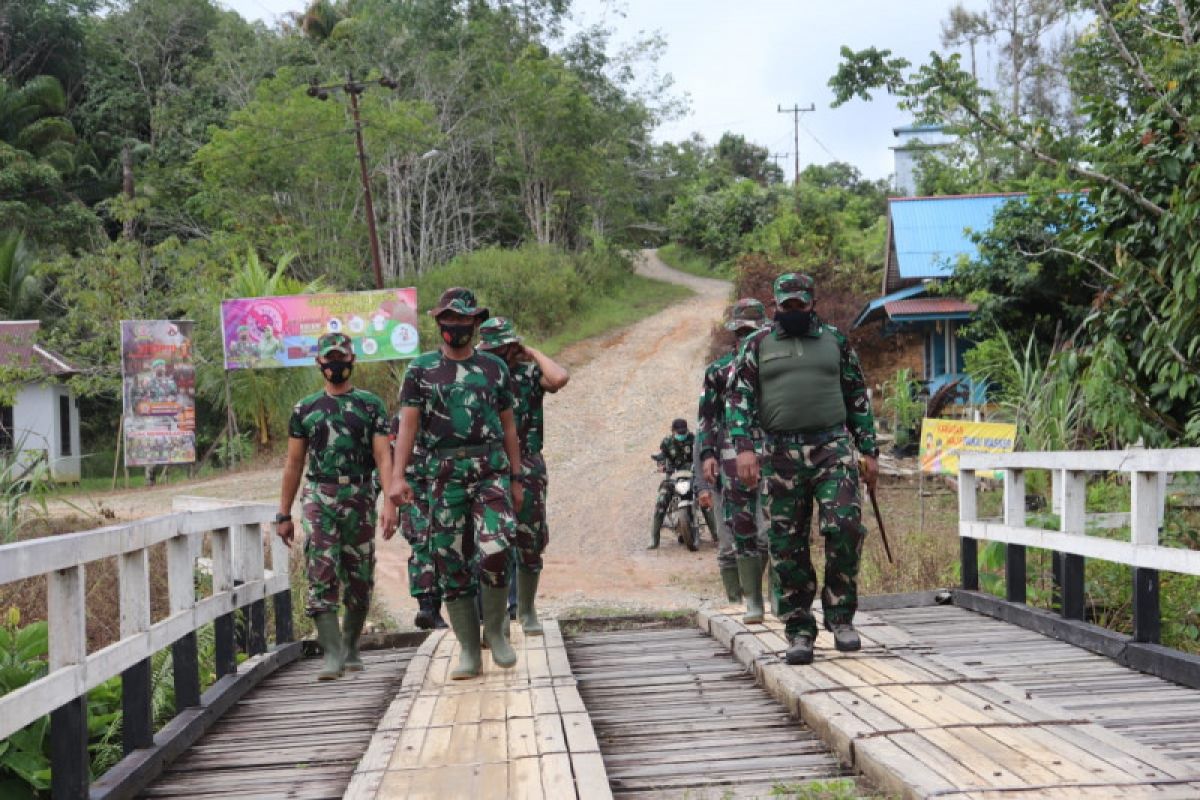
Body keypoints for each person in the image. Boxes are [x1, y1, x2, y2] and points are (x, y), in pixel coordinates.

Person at [727, 273, 880, 666]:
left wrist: (869, 451)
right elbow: (738, 398)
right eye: (786, 304)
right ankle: (798, 628)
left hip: (832, 448)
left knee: (844, 525)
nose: (793, 310)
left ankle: (841, 616)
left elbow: (856, 395)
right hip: (779, 452)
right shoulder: (756, 344)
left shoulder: (835, 341)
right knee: (785, 541)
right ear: (776, 304)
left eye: (800, 303)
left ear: (813, 303)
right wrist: (744, 448)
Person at [389, 288, 525, 680]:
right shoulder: (420, 370)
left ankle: (497, 631)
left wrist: (516, 478)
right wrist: (398, 477)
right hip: (442, 475)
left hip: (490, 469)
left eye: (464, 320)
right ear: (438, 322)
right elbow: (408, 426)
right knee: (449, 561)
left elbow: (510, 427)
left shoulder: (494, 369)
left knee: (497, 548)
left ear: (476, 323)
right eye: (448, 319)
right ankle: (468, 649)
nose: (455, 326)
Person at [275, 332, 396, 681]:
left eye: (341, 357)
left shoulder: (370, 405)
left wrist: (390, 501)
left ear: (352, 360)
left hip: (359, 494)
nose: (335, 365)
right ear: (319, 363)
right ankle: (331, 655)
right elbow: (294, 464)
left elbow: (382, 456)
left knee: (359, 577)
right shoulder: (305, 409)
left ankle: (350, 646)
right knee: (321, 571)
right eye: (329, 359)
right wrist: (283, 514)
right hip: (319, 496)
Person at [476, 316, 570, 636]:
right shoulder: (481, 377)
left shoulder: (528, 374)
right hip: (490, 467)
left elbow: (558, 378)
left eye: (507, 347)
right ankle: (497, 615)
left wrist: (531, 351)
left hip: (528, 465)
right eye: (497, 348)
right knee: (493, 543)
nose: (503, 353)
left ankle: (527, 610)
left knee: (529, 540)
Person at [698, 298, 771, 622]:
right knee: (736, 530)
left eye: (751, 332)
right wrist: (708, 454)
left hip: (771, 452)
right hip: (730, 456)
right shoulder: (717, 371)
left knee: (770, 532)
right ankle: (740, 599)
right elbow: (707, 419)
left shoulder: (774, 365)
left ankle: (765, 594)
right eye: (740, 332)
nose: (745, 338)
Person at [386, 416, 447, 630]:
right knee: (422, 543)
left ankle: (471, 608)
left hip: (446, 482)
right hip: (412, 489)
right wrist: (389, 504)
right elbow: (388, 462)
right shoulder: (400, 420)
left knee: (449, 543)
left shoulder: (444, 411)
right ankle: (428, 608)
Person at [648, 418, 697, 549]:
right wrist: (662, 466)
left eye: (684, 431)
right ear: (673, 431)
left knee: (704, 497)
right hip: (673, 479)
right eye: (679, 432)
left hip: (692, 477)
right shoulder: (667, 443)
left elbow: (701, 455)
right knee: (661, 501)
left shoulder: (694, 440)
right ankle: (654, 539)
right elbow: (662, 457)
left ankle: (715, 534)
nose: (682, 434)